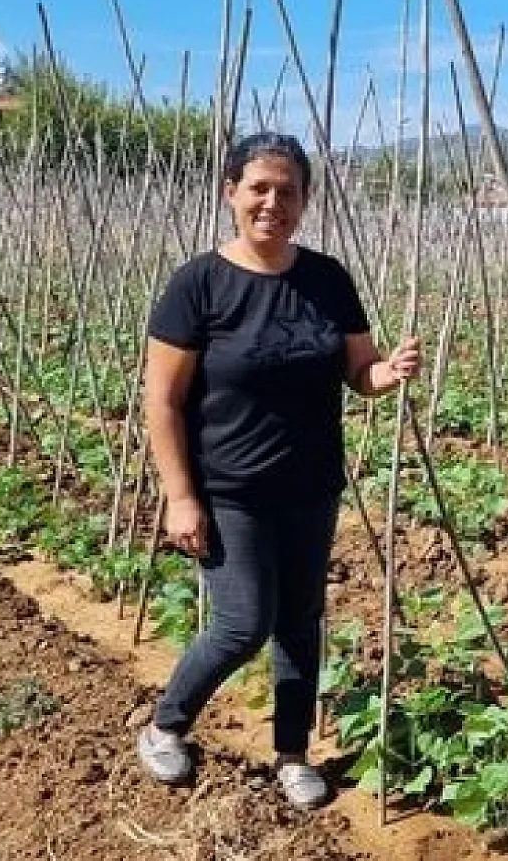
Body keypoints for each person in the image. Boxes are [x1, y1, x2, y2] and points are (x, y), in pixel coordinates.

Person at [135, 132, 420, 810]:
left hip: (311, 485)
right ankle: (165, 724)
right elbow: (162, 399)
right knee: (242, 621)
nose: (272, 202)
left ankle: (294, 754)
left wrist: (388, 372)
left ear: (305, 200)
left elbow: (359, 368)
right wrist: (180, 495)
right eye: (258, 187)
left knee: (300, 621)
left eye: (287, 190)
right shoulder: (198, 284)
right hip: (230, 490)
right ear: (230, 191)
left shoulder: (326, 279)